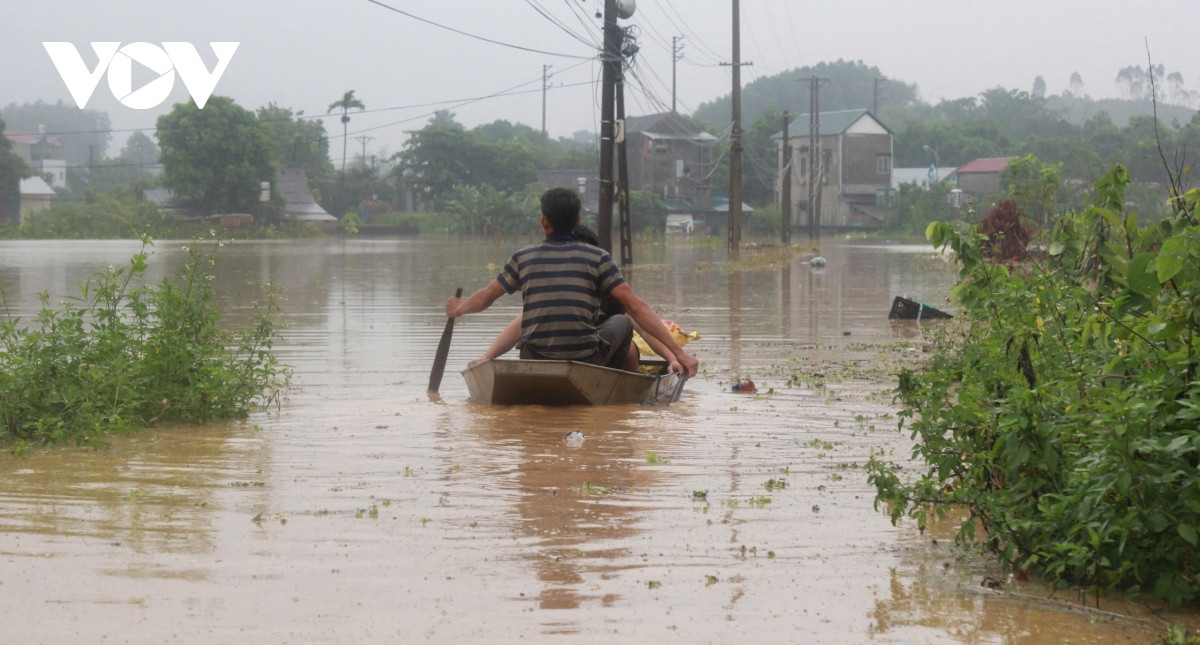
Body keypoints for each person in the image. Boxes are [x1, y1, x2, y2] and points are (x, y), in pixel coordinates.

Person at [446, 187, 699, 377]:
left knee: (531, 315)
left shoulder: (522, 258)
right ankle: (618, 392)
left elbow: (485, 297)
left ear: (543, 220)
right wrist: (680, 354)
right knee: (623, 321)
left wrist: (460, 308)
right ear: (577, 221)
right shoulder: (599, 259)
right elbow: (638, 309)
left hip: (532, 356)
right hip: (586, 357)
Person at [467, 225, 682, 370]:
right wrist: (487, 358)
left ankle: (618, 391)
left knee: (631, 347)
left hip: (594, 359)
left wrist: (672, 358)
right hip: (555, 357)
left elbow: (644, 328)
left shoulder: (610, 289)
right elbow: (519, 326)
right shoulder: (553, 289)